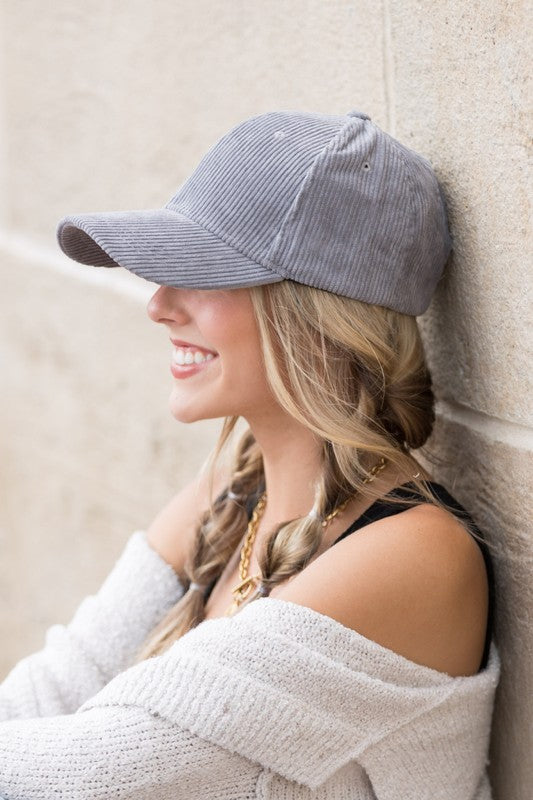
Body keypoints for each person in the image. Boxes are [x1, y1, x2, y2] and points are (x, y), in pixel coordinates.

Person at [0, 109, 499, 799]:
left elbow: (92, 772)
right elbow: (53, 689)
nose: (159, 304)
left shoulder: (413, 554)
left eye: (200, 271)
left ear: (317, 312)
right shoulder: (234, 489)